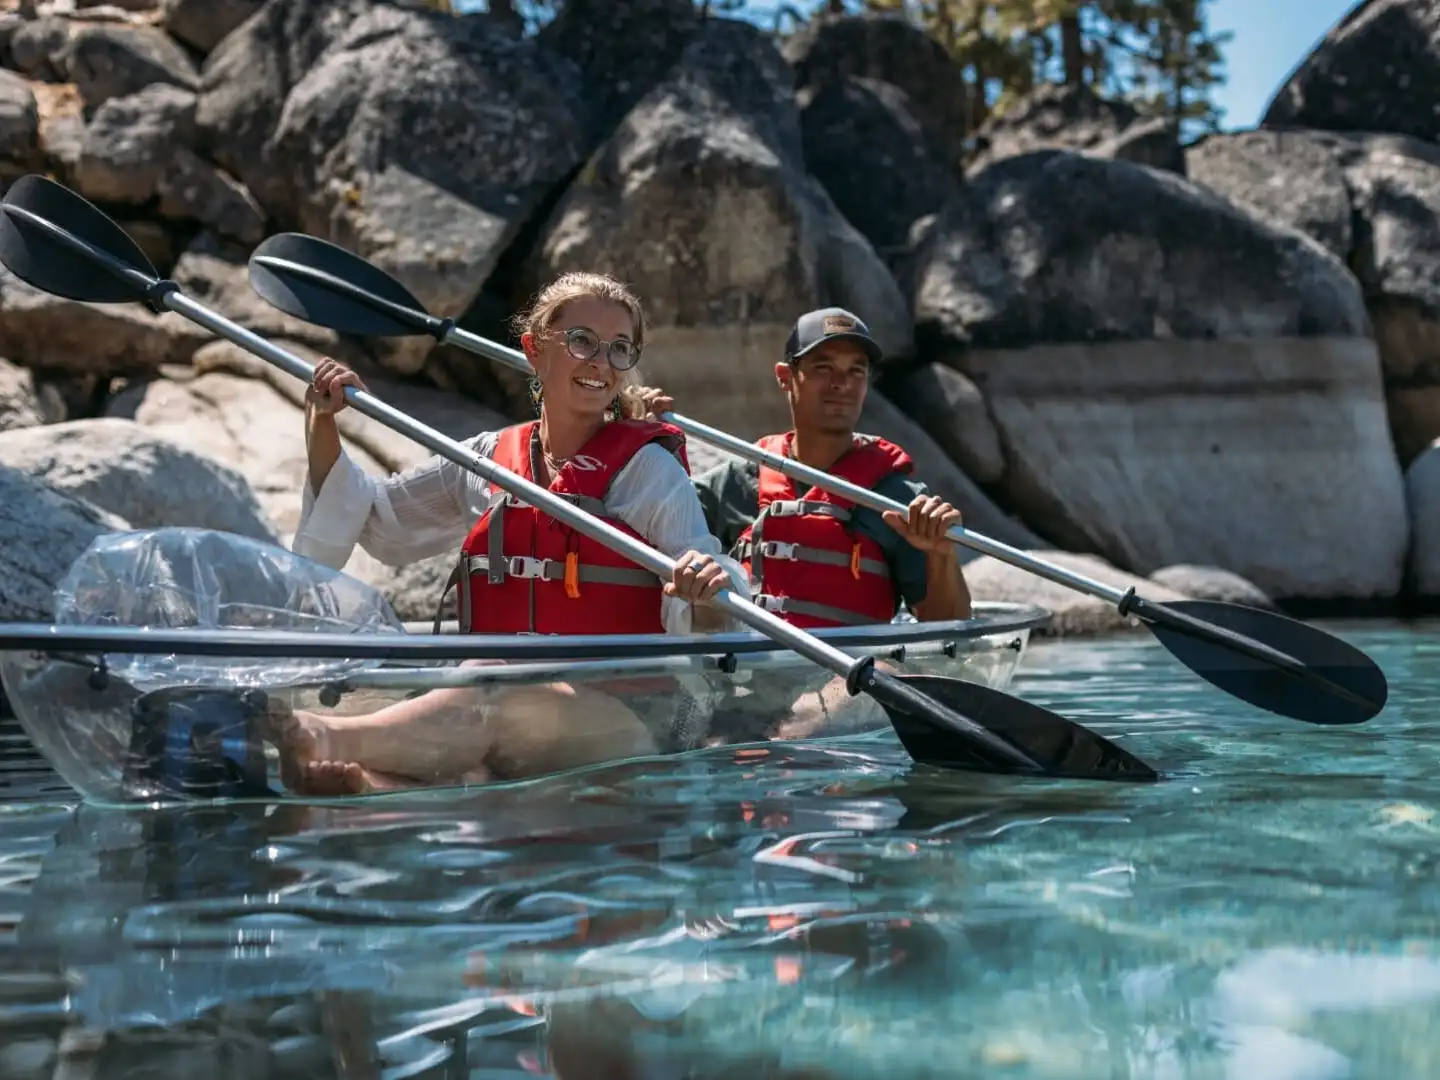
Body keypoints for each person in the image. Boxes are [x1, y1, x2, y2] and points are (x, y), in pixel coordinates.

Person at [268, 271, 749, 795]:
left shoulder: (650, 471)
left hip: (632, 718)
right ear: (534, 348)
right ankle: (368, 788)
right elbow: (376, 519)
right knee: (483, 709)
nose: (600, 363)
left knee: (494, 684)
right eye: (582, 341)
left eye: (619, 349)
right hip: (512, 706)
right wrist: (323, 422)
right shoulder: (484, 460)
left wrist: (707, 591)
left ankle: (322, 738)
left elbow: (713, 603)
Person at [636, 307, 972, 741]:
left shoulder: (897, 499)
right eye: (822, 368)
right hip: (744, 683)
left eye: (856, 371)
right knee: (703, 738)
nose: (841, 384)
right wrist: (637, 439)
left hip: (845, 684)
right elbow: (650, 529)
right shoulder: (735, 483)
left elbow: (951, 632)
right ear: (784, 376)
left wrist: (941, 557)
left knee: (799, 730)